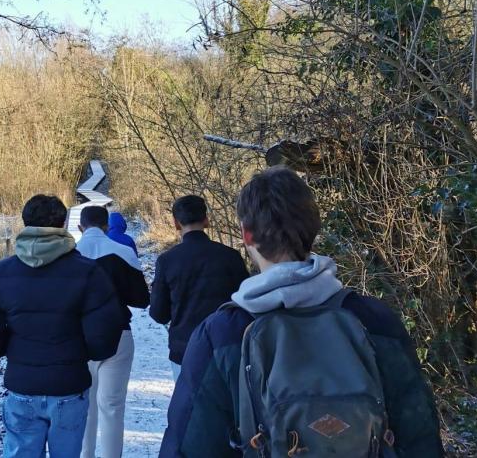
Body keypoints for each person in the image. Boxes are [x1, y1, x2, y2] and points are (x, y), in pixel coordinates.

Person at [160, 167, 443, 457]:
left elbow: (188, 446)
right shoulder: (376, 321)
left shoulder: (220, 334)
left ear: (246, 235)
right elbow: (420, 436)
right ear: (314, 227)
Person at [0, 195, 125, 458]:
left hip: (22, 386)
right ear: (64, 224)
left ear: (25, 224)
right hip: (69, 386)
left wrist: (11, 347)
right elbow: (104, 335)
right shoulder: (89, 273)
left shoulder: (2, 273)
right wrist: (79, 353)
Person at [76, 205, 150, 458]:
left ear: (79, 227)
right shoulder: (123, 252)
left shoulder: (69, 255)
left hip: (78, 338)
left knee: (84, 405)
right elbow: (141, 299)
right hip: (117, 333)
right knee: (112, 407)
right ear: (107, 226)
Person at [150, 195, 249, 381]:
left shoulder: (167, 261)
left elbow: (159, 314)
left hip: (185, 349)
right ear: (206, 220)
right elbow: (245, 303)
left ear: (176, 223)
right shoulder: (231, 256)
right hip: (227, 346)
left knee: (189, 407)